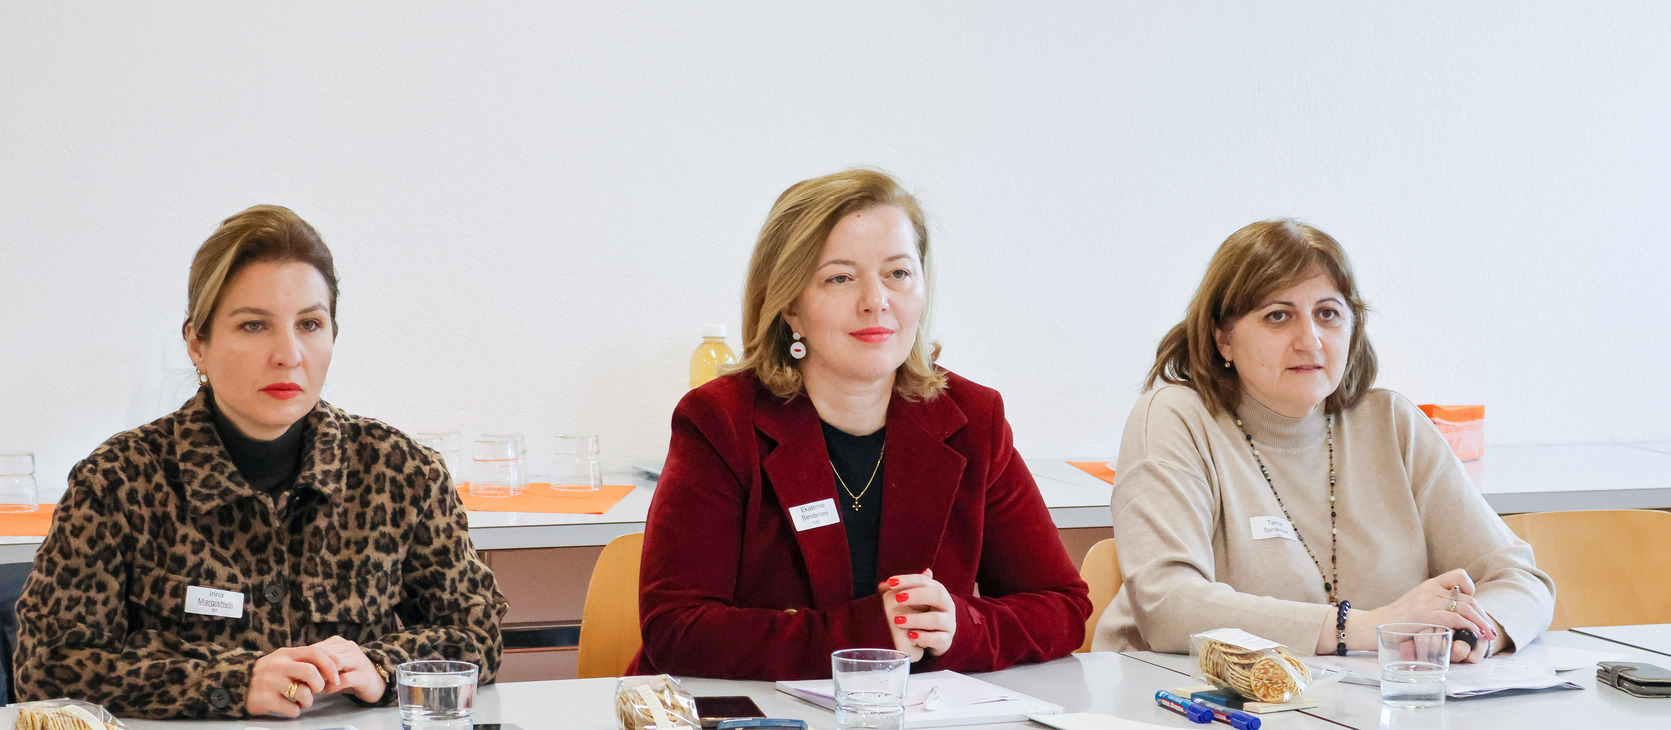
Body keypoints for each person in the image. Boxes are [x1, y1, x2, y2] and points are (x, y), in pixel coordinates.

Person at [14, 205, 508, 718]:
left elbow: (477, 632)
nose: (288, 354)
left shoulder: (403, 472)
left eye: (310, 324)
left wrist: (380, 665)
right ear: (197, 343)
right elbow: (47, 667)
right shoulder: (117, 482)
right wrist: (230, 683)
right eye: (253, 325)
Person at [634, 169, 1090, 680]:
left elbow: (1062, 605)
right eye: (840, 278)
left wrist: (959, 627)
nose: (877, 299)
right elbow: (677, 627)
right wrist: (866, 637)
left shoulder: (972, 419)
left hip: (916, 712)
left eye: (898, 273)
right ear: (790, 305)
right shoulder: (720, 421)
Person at [1092, 219, 1554, 663]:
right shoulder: (1175, 417)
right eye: (1278, 316)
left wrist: (1471, 633)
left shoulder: (1393, 423)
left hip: (1357, 700)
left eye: (1328, 314)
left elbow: (1519, 578)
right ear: (1223, 339)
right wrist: (1364, 627)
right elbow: (1169, 605)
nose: (1309, 340)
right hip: (1178, 695)